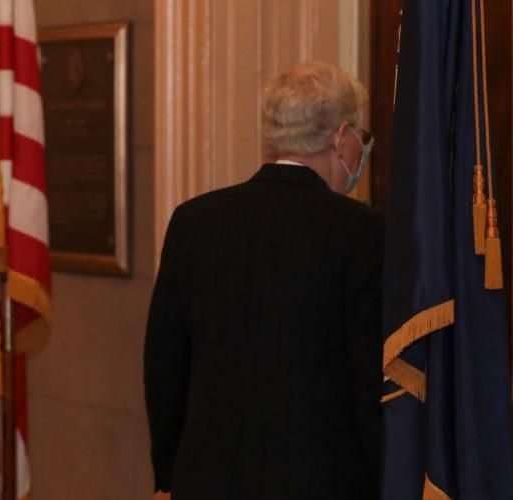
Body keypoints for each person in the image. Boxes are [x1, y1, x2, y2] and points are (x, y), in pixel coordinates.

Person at [144, 61, 383, 500]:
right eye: (361, 137)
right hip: (323, 484)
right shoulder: (361, 232)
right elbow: (369, 378)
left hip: (206, 480)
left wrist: (168, 475)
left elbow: (165, 364)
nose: (361, 150)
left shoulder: (194, 221)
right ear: (341, 136)